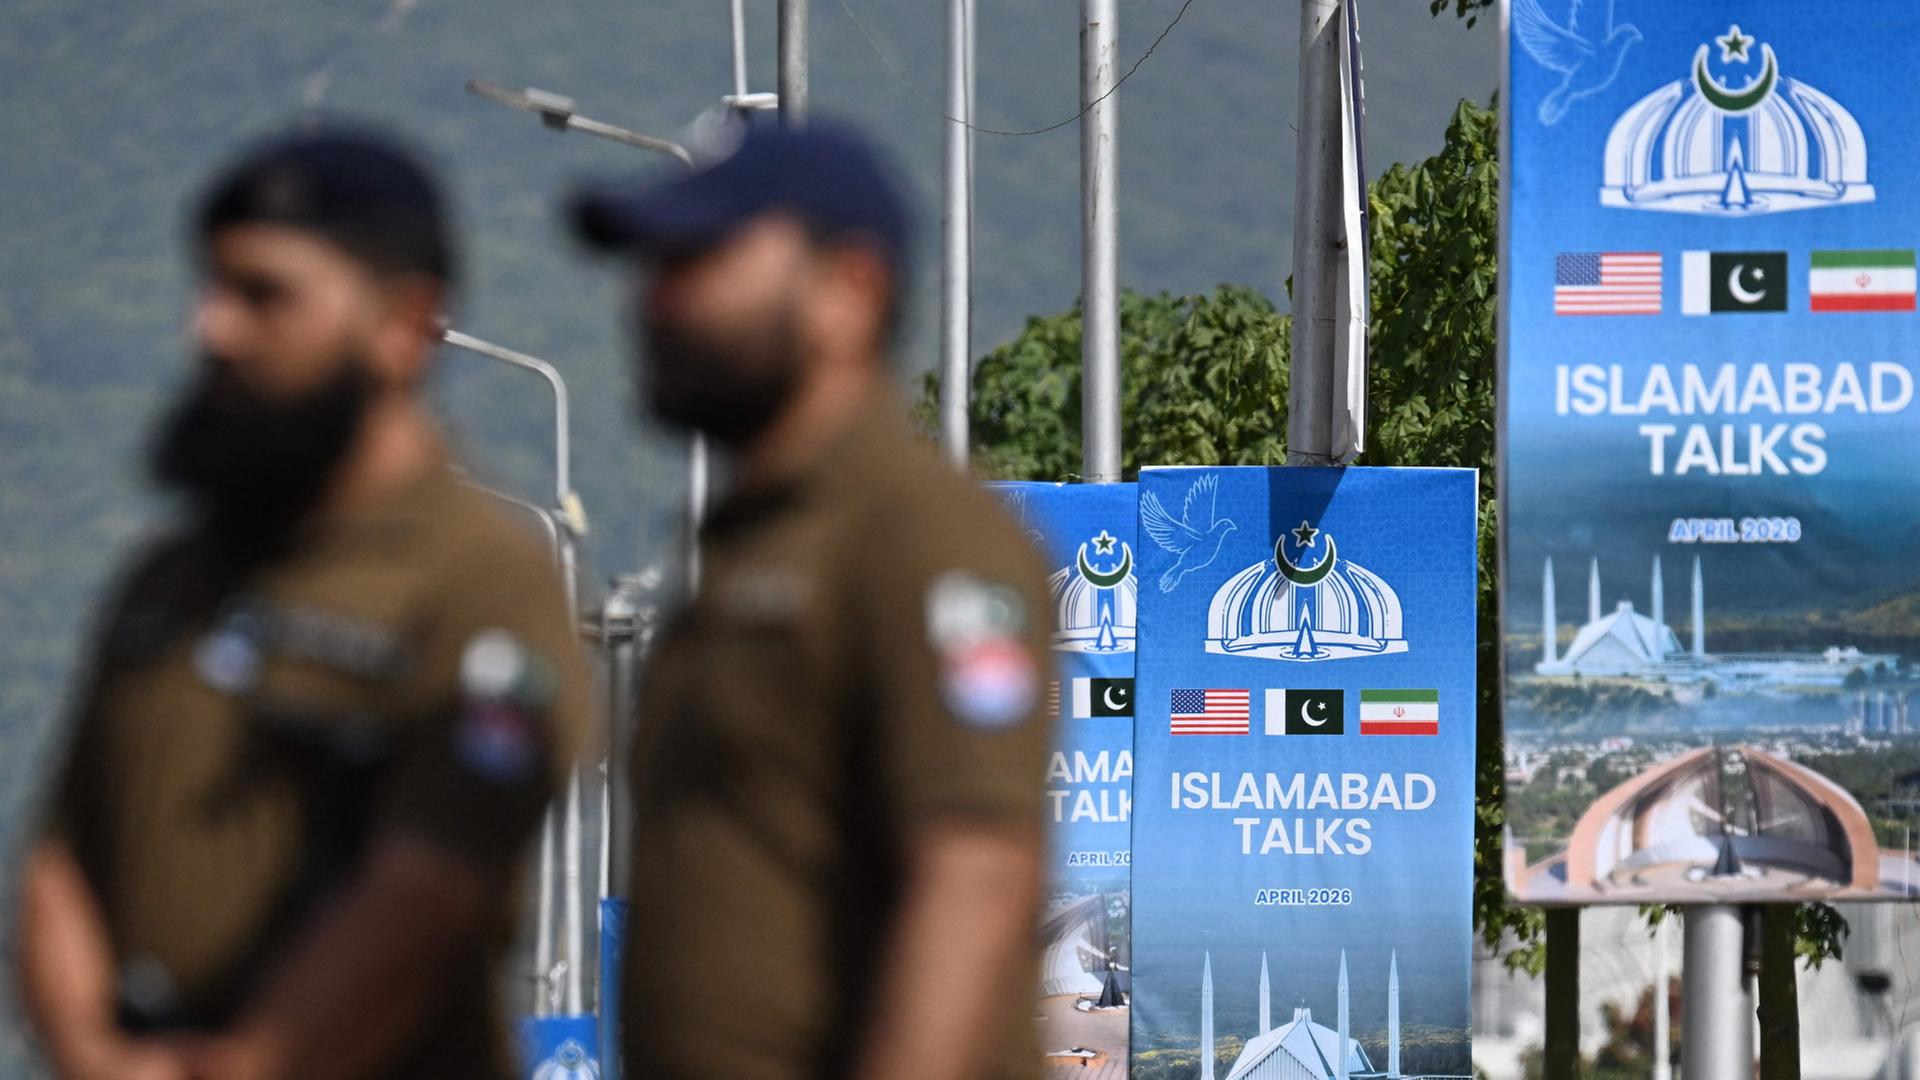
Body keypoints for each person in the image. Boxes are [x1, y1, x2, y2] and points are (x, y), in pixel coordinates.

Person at [16, 129, 590, 1080]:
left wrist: (248, 1066)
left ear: (404, 325)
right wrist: (93, 1056)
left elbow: (430, 891)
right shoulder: (171, 579)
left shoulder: (482, 582)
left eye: (264, 296)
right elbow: (62, 859)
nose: (215, 330)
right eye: (210, 289)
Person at [574, 121, 1055, 1080]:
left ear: (850, 291)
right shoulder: (754, 547)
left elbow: (976, 872)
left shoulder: (921, 534)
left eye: (698, 261)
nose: (654, 301)